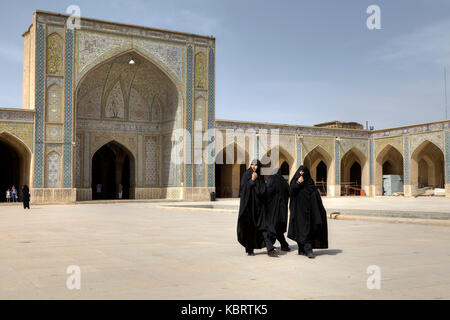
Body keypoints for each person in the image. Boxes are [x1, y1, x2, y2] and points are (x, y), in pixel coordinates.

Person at [237, 159, 277, 257]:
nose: (254, 167)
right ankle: (250, 249)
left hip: (260, 208)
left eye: (256, 165)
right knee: (250, 229)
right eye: (252, 165)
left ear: (259, 167)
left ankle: (270, 249)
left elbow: (262, 191)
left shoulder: (260, 177)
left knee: (264, 228)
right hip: (249, 208)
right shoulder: (246, 175)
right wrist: (252, 180)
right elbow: (244, 189)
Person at [288, 165, 328, 259]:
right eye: (300, 171)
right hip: (298, 212)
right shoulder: (295, 181)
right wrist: (298, 182)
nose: (301, 173)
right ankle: (301, 249)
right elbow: (291, 191)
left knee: (308, 230)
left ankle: (308, 249)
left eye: (303, 172)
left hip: (309, 212)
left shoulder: (310, 183)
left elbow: (315, 196)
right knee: (299, 230)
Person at [266, 167, 291, 252]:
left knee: (271, 228)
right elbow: (289, 193)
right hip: (282, 211)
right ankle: (284, 245)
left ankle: (270, 246)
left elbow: (267, 193)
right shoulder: (284, 182)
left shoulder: (271, 180)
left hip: (272, 210)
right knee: (278, 229)